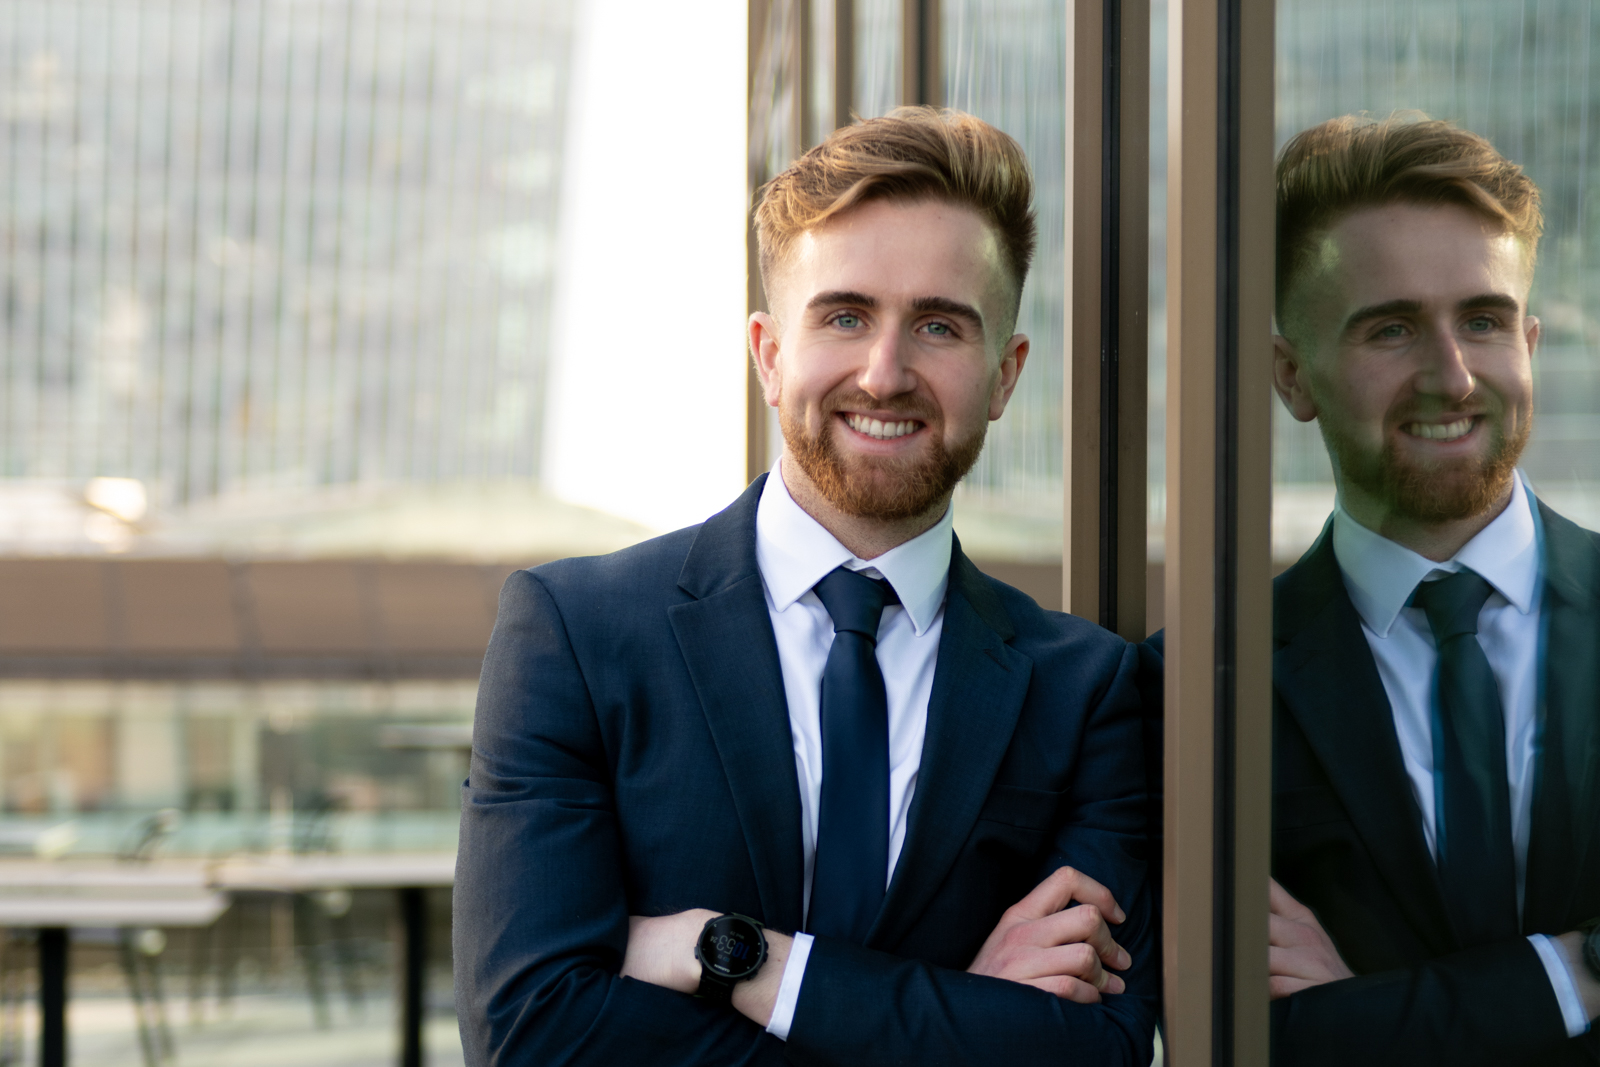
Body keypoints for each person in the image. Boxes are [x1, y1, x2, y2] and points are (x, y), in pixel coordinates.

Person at [452, 107, 1157, 1066]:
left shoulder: (1090, 691)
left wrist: (739, 959)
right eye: (845, 315)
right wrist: (955, 1016)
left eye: (940, 325)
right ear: (769, 353)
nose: (884, 371)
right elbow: (532, 1031)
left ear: (1004, 375)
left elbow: (1095, 1049)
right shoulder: (575, 634)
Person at [1264, 114, 1600, 1064]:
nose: (1451, 376)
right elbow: (1267, 1041)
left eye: (1484, 321)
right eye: (1393, 329)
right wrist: (1573, 972)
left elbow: (1329, 1037)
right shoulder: (1205, 684)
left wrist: (1371, 1017)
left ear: (1529, 340)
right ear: (1293, 374)